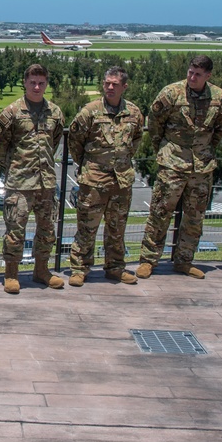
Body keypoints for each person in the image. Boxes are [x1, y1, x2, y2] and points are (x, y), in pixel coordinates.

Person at [137, 56, 222, 279]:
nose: (192, 77)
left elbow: (220, 129)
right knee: (160, 213)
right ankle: (148, 260)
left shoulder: (218, 97)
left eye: (198, 74)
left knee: (195, 217)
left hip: (201, 167)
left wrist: (204, 151)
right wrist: (164, 149)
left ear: (208, 76)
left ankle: (184, 260)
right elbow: (155, 123)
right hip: (172, 163)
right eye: (190, 72)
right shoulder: (171, 93)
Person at [67, 66, 145, 287]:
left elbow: (136, 140)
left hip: (121, 182)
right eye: (107, 83)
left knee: (117, 228)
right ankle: (79, 268)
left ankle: (115, 268)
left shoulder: (134, 113)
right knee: (86, 228)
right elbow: (75, 141)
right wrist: (88, 165)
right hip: (94, 181)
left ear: (124, 87)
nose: (110, 87)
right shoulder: (90, 111)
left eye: (115, 84)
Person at [0, 64, 66, 293]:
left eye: (41, 83)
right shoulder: (11, 112)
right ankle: (11, 273)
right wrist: (13, 168)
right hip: (20, 183)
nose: (37, 87)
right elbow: (0, 145)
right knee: (15, 230)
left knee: (47, 230)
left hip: (45, 182)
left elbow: (54, 142)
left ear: (46, 84)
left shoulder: (55, 112)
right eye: (33, 82)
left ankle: (41, 270)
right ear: (25, 82)